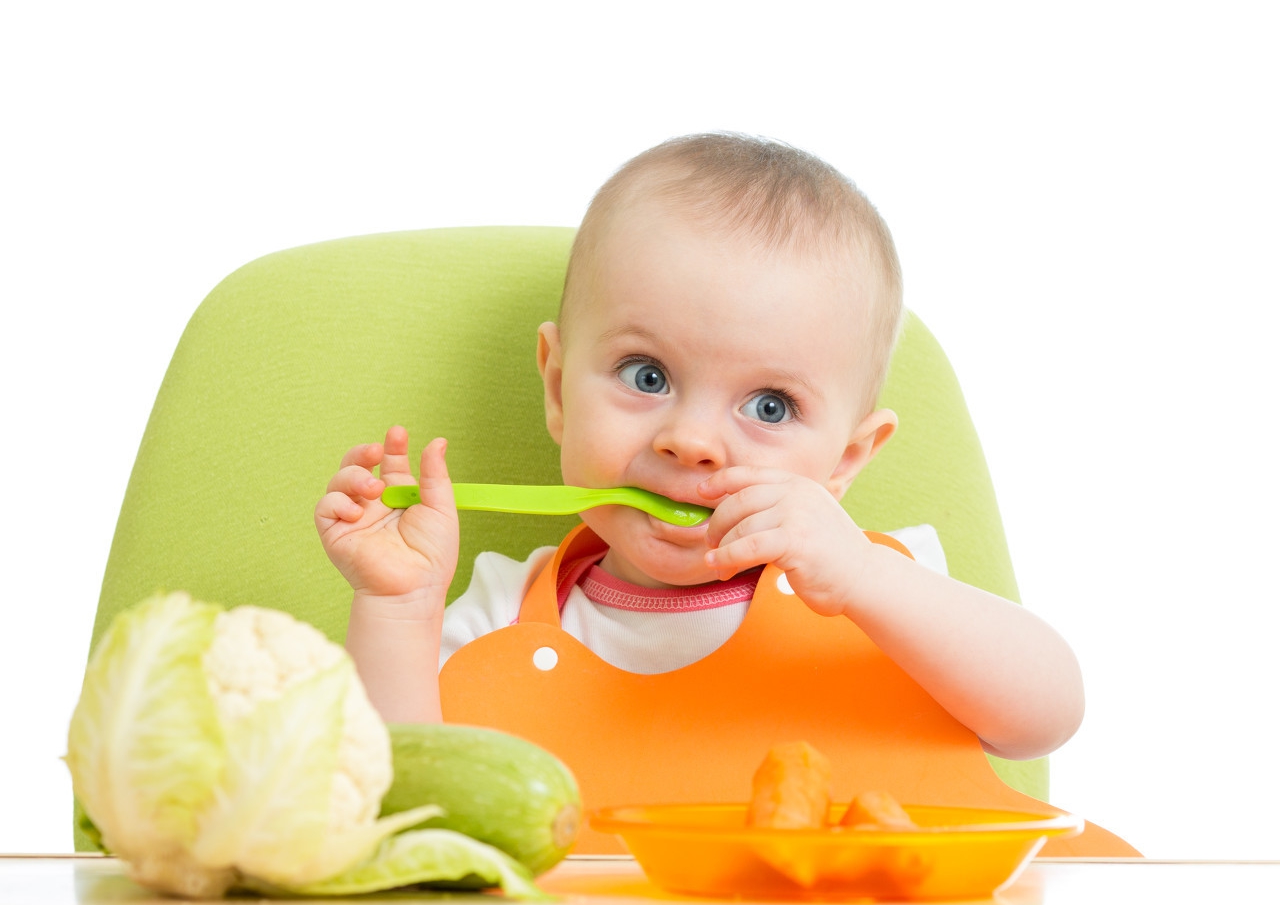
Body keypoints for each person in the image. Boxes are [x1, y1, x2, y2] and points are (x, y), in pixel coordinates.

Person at [314, 132, 1084, 763]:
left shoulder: (884, 594)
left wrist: (861, 575)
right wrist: (400, 607)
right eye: (646, 375)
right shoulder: (501, 615)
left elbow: (1044, 714)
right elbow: (400, 794)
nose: (691, 441)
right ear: (556, 390)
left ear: (846, 460)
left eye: (770, 405)